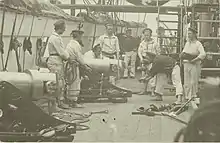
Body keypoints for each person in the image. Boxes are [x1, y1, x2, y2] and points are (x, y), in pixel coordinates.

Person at [46, 20, 69, 109]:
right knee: (57, 82)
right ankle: (57, 103)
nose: (65, 29)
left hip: (57, 60)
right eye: (64, 28)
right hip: (55, 61)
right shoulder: (54, 38)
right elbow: (61, 52)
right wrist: (68, 58)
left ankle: (58, 102)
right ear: (60, 28)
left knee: (60, 81)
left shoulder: (56, 37)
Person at [65, 29, 91, 108]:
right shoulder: (76, 45)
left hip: (69, 66)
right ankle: (74, 102)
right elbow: (79, 57)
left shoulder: (69, 44)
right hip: (74, 66)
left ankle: (69, 100)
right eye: (81, 36)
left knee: (70, 84)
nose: (81, 38)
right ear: (79, 36)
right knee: (75, 84)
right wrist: (85, 66)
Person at [180, 27, 206, 101]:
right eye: (188, 34)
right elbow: (184, 52)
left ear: (194, 34)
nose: (188, 35)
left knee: (193, 81)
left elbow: (203, 54)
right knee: (186, 82)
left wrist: (195, 60)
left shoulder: (198, 44)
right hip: (186, 63)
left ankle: (193, 97)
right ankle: (187, 97)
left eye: (190, 34)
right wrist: (181, 55)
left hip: (194, 64)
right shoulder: (187, 43)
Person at [138, 28, 160, 96]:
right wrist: (141, 59)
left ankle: (153, 91)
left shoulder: (155, 43)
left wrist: (155, 61)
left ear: (150, 35)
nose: (146, 37)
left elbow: (158, 52)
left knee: (152, 77)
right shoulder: (142, 43)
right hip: (144, 61)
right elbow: (139, 52)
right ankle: (144, 90)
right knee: (144, 75)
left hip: (152, 62)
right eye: (145, 35)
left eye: (147, 35)